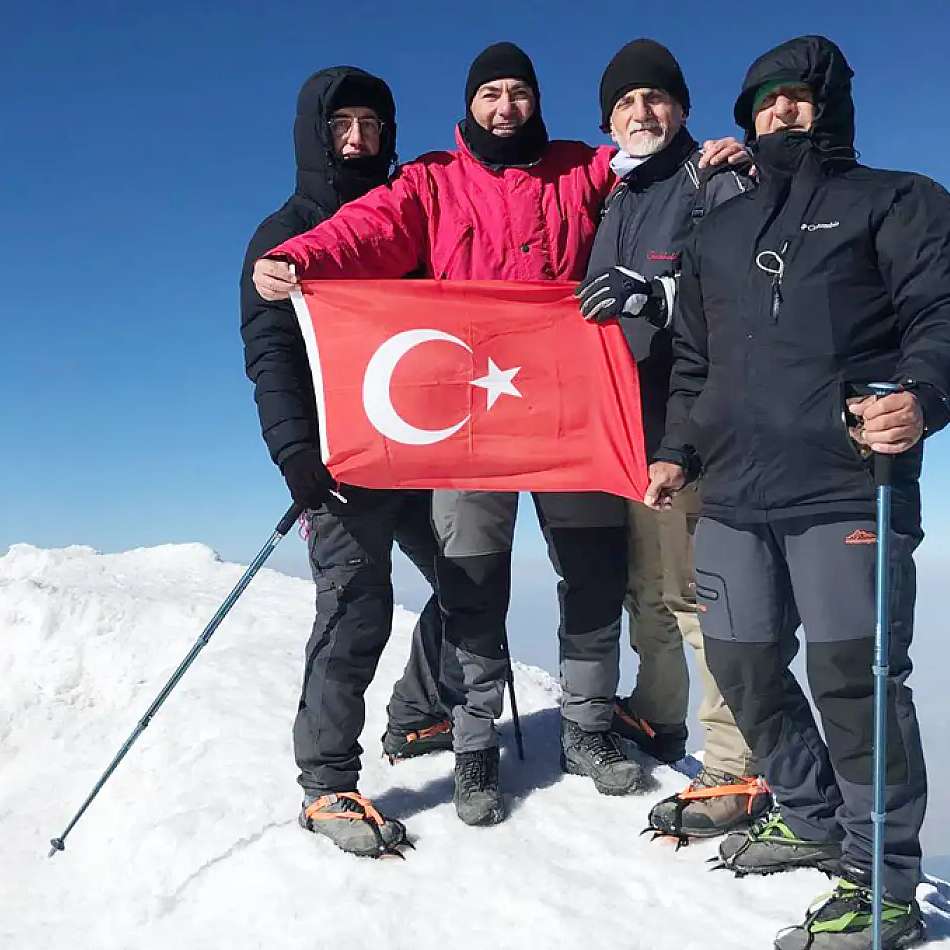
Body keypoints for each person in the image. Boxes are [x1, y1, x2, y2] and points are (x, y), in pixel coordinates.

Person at [255, 42, 748, 827]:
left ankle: (588, 727)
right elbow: (369, 230)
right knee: (471, 583)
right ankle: (476, 741)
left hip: (567, 410)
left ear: (536, 102)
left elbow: (652, 163)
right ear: (470, 104)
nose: (505, 106)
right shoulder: (430, 180)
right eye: (491, 93)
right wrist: (297, 256)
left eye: (519, 92)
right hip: (468, 422)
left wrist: (721, 153)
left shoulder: (583, 170)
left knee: (591, 575)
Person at [647, 35, 950, 949]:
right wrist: (677, 448)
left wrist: (921, 395)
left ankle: (882, 887)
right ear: (747, 116)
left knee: (859, 686)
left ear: (830, 107)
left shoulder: (895, 200)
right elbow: (695, 359)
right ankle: (807, 812)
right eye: (765, 101)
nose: (782, 111)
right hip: (729, 492)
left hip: (847, 485)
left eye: (799, 97)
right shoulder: (718, 228)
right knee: (742, 667)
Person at [239, 65, 465, 858]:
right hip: (341, 465)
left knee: (474, 584)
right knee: (354, 613)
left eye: (372, 124)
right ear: (316, 133)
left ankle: (419, 711)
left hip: (423, 450)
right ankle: (328, 781)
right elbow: (268, 354)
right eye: (343, 125)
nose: (359, 139)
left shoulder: (415, 220)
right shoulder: (284, 233)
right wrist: (294, 452)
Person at [572, 37, 772, 845]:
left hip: (694, 430)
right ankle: (657, 717)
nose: (641, 112)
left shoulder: (716, 178)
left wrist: (653, 295)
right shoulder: (618, 196)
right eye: (625, 103)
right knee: (648, 593)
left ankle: (736, 763)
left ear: (684, 110)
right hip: (628, 429)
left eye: (655, 99)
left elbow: (741, 288)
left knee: (700, 598)